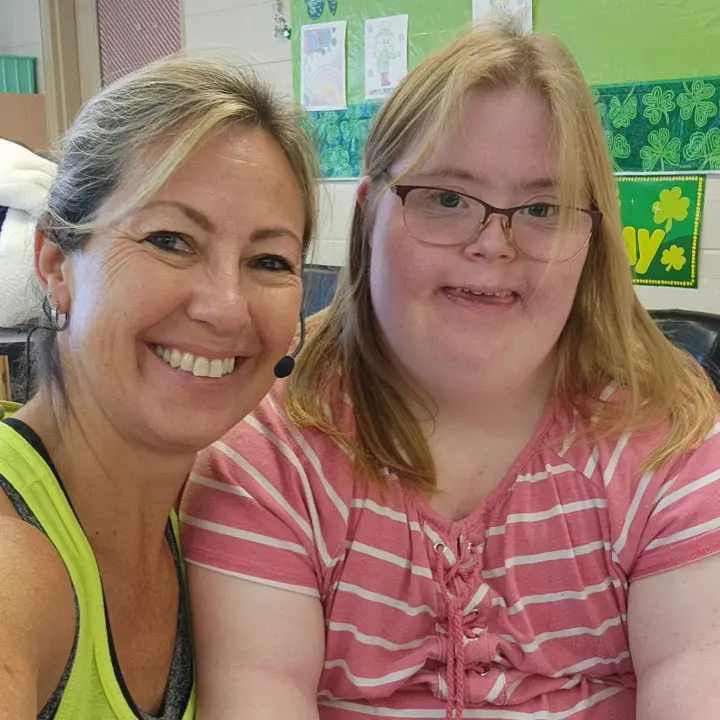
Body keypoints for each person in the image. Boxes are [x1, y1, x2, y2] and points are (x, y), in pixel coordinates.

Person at [181, 23, 720, 720]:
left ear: (591, 238)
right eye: (446, 198)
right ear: (369, 215)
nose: (493, 244)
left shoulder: (668, 448)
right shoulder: (268, 465)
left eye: (540, 209)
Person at [0, 52, 317, 719]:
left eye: (269, 260)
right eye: (171, 241)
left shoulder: (238, 512)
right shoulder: (15, 557)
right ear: (56, 263)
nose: (226, 309)